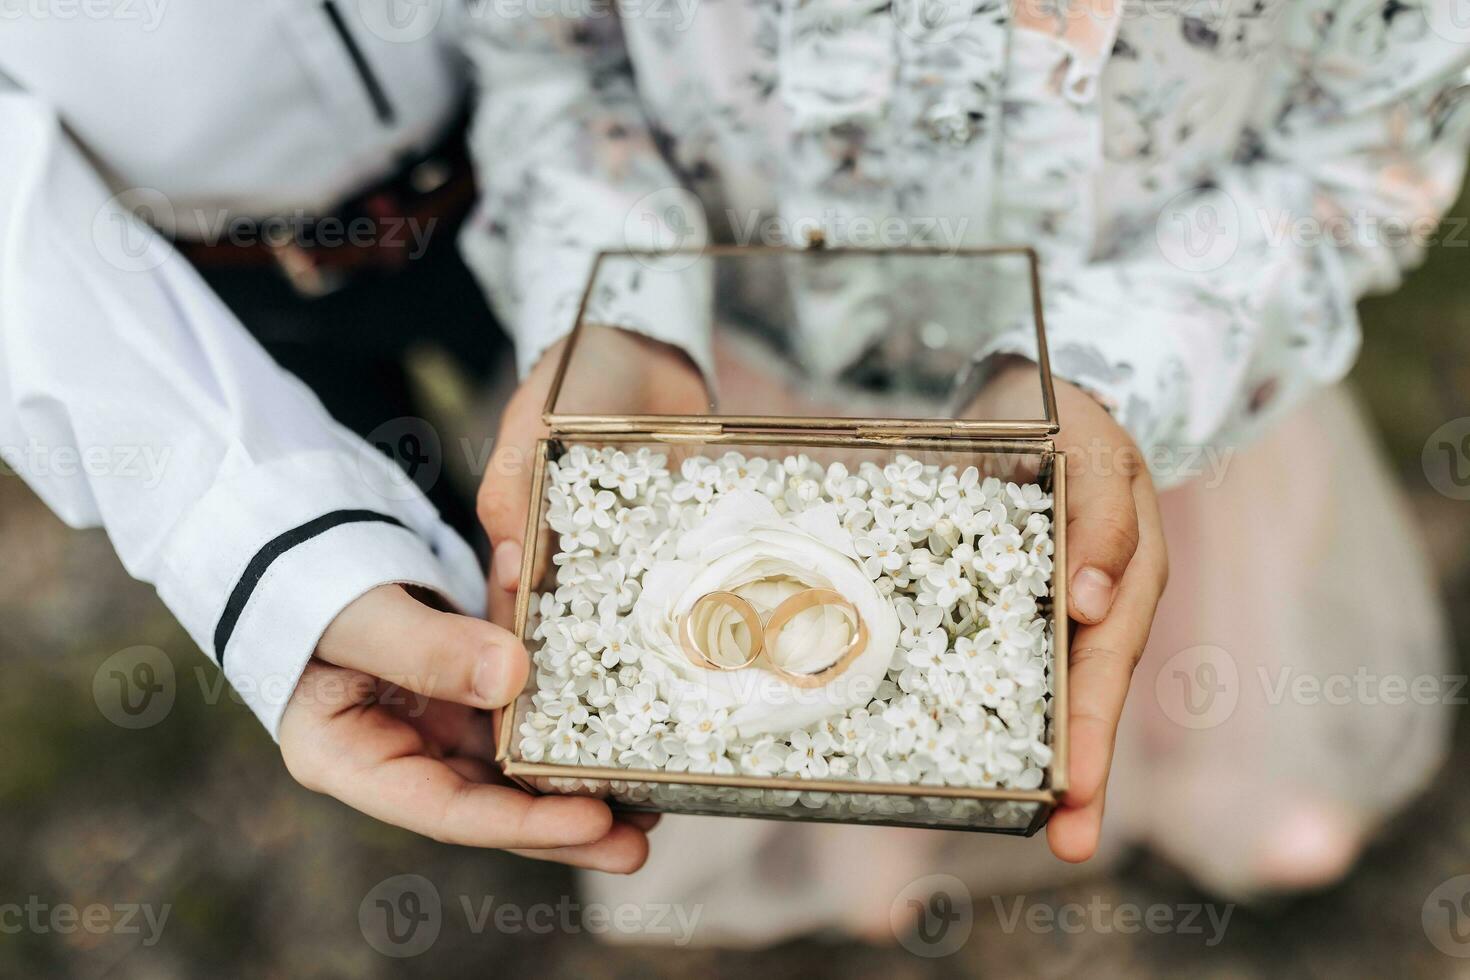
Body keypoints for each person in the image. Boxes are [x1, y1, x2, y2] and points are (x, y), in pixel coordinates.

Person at [459, 0, 1470, 938]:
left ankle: (1208, 763)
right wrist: (625, 306)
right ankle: (868, 837)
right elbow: (552, 64)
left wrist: (1114, 373)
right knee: (808, 665)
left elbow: (1365, 149)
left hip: (1142, 364)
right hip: (739, 375)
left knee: (1114, 617)